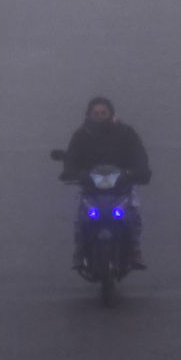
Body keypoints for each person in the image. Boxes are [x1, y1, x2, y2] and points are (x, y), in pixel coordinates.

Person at [60, 95, 151, 269]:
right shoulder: (81, 135)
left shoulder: (126, 133)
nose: (100, 115)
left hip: (121, 187)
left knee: (134, 214)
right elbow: (71, 158)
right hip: (91, 189)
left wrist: (137, 172)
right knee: (81, 218)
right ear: (89, 114)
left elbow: (140, 155)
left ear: (111, 113)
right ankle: (79, 251)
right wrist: (73, 173)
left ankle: (135, 250)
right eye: (96, 112)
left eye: (103, 112)